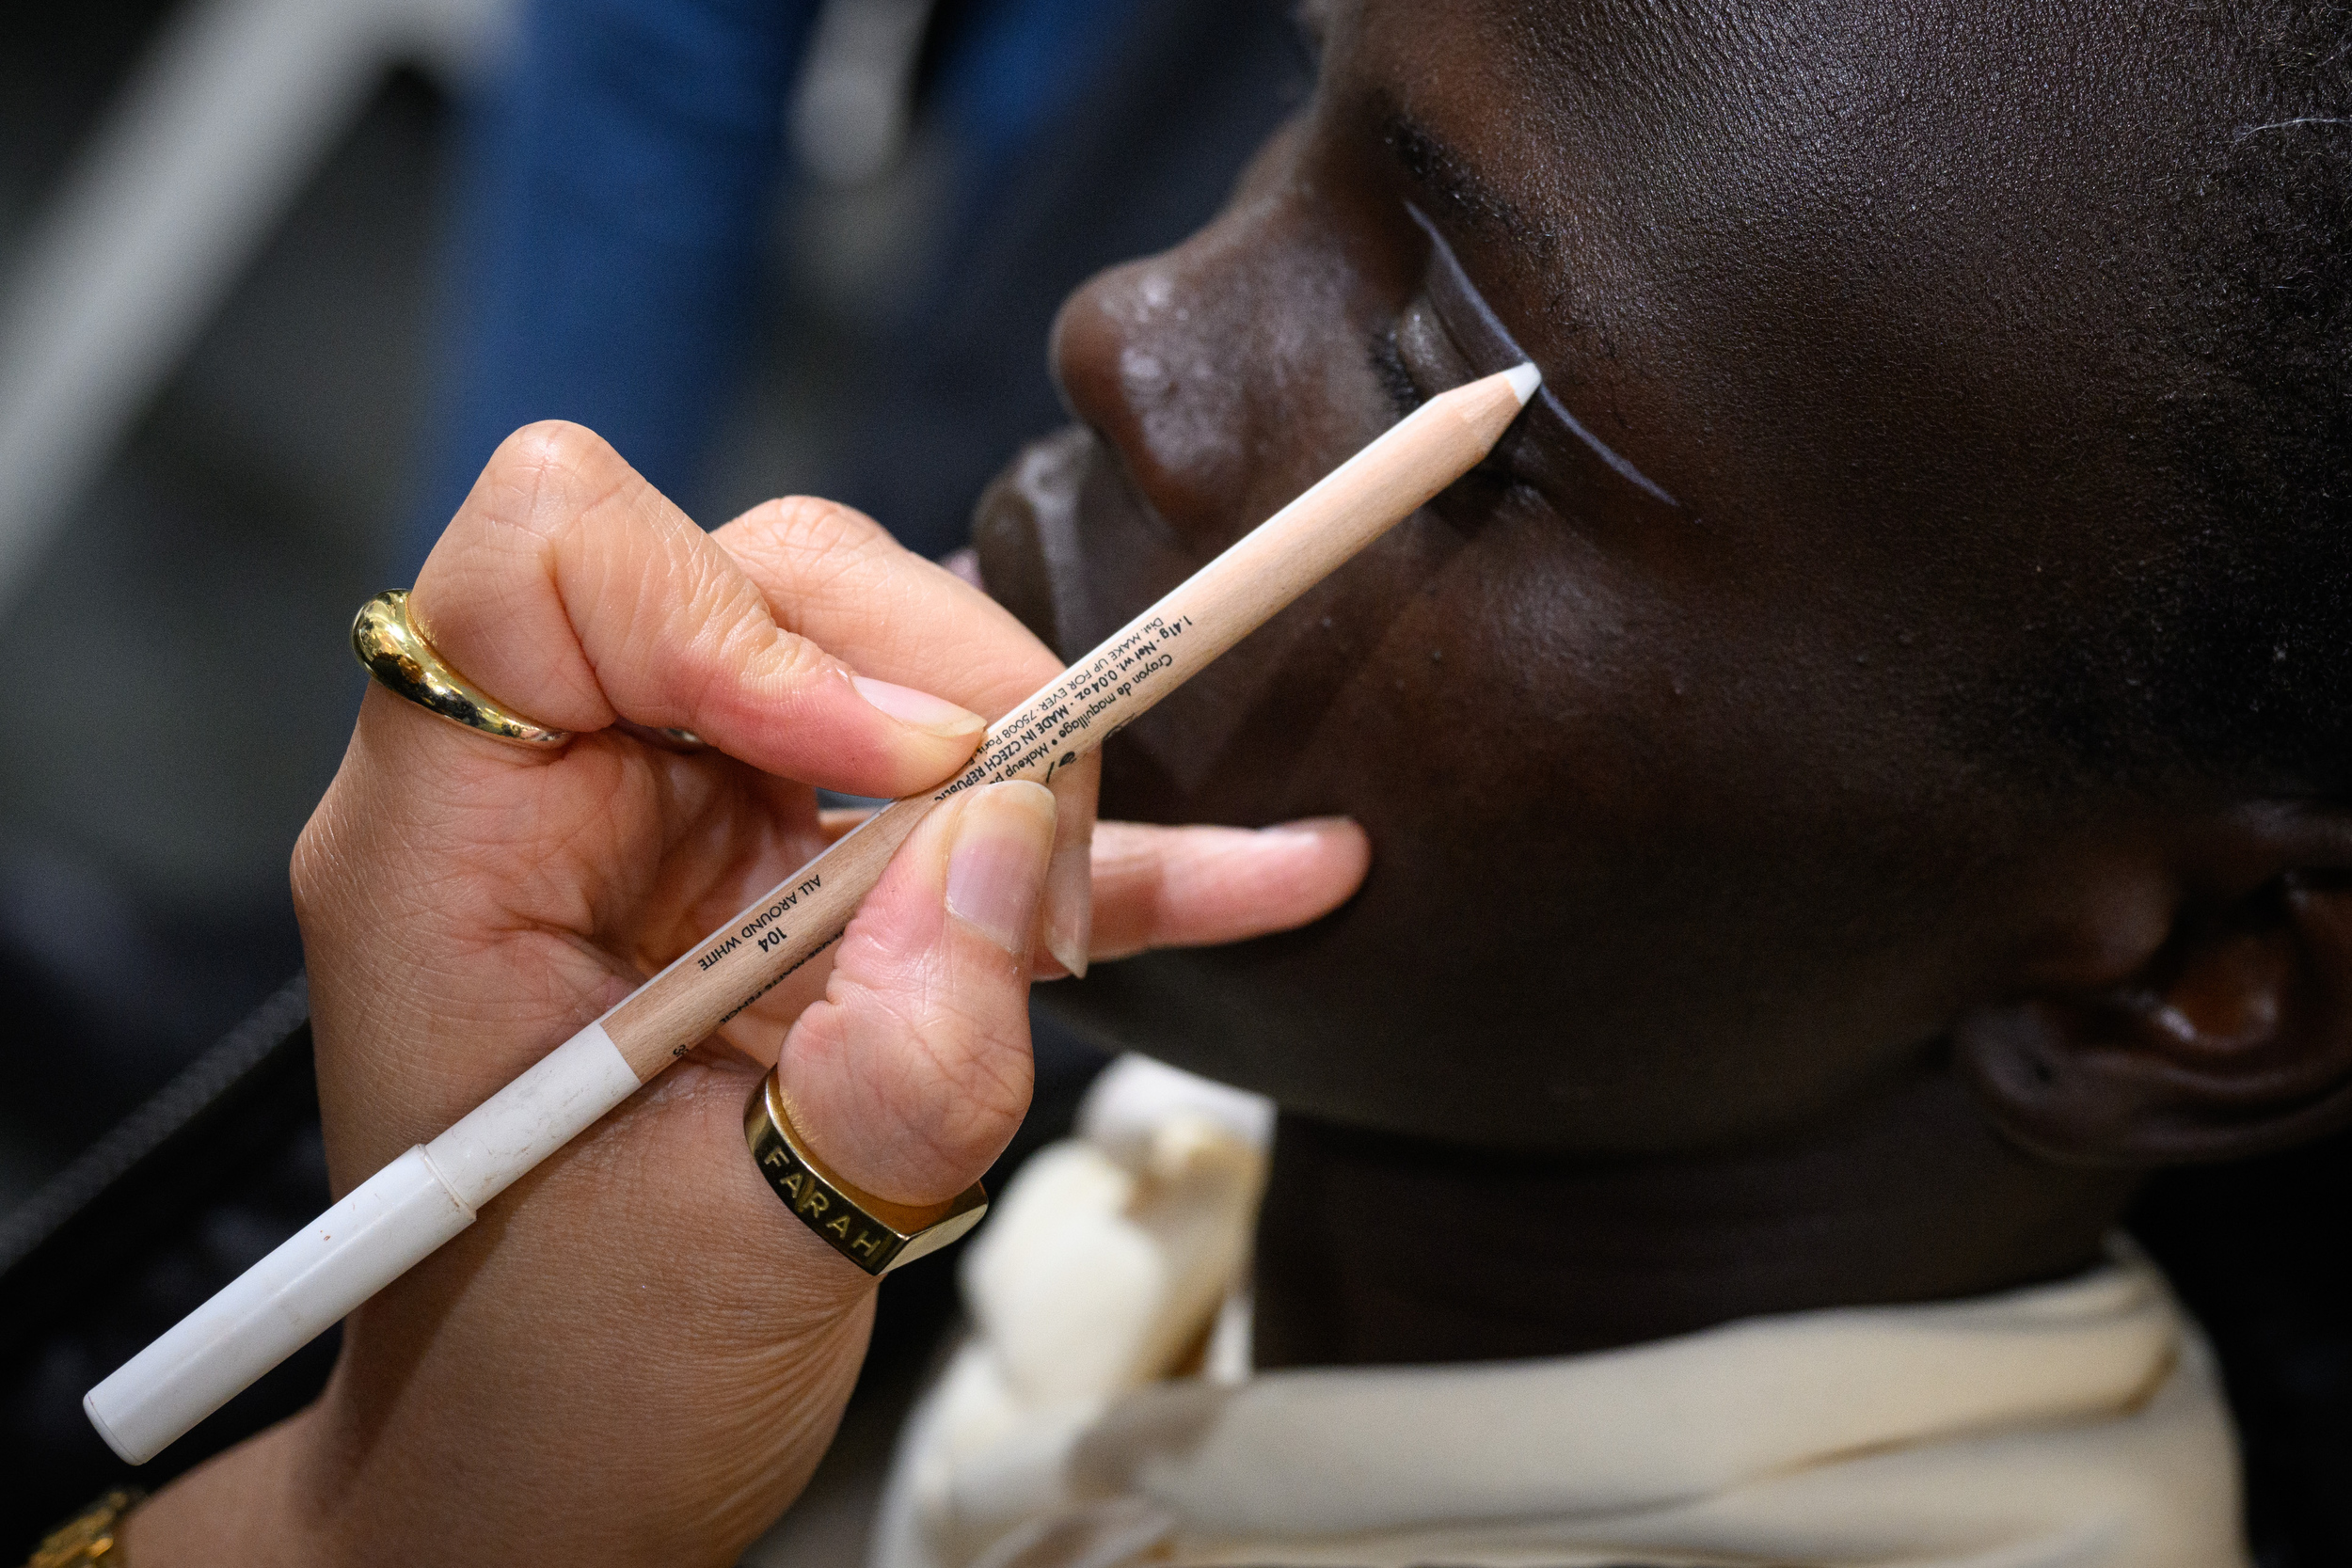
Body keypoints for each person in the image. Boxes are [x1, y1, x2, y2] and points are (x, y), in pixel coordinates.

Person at [98, 0, 2352, 1562]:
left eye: (1443, 384)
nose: (1126, 328)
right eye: (1301, 115)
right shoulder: (1200, 1183)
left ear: (2193, 974)